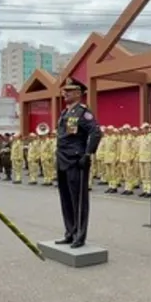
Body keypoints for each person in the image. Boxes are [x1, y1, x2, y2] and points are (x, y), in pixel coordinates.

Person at [53, 78, 101, 248]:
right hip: (62, 159)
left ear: (78, 93)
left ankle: (80, 236)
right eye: (64, 90)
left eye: (69, 90)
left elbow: (96, 132)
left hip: (75, 160)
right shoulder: (65, 113)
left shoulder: (83, 112)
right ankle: (70, 232)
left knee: (78, 200)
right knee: (65, 199)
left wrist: (87, 154)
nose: (65, 93)